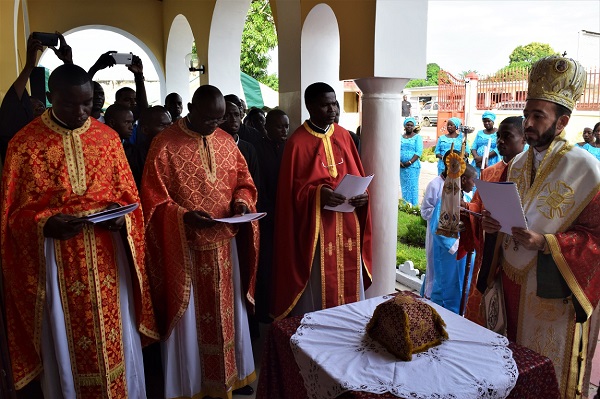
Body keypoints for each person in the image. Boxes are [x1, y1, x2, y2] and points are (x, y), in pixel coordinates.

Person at [1, 63, 157, 398]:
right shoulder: (24, 145)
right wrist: (43, 223)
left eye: (87, 104)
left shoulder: (108, 138)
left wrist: (122, 216)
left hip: (108, 258)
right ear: (50, 97)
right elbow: (11, 217)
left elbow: (129, 195)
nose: (81, 111)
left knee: (115, 339)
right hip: (57, 262)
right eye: (71, 104)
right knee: (67, 342)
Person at [481, 55, 600, 398]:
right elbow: (507, 215)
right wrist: (492, 225)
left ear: (561, 122)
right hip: (511, 289)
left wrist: (547, 242)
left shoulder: (587, 171)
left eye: (538, 116)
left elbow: (596, 239)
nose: (528, 123)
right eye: (526, 115)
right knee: (511, 372)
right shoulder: (517, 163)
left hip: (552, 295)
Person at [141, 84, 258, 399]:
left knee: (230, 313)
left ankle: (232, 376)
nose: (214, 126)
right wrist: (183, 216)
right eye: (208, 119)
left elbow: (244, 182)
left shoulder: (224, 141)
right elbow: (153, 200)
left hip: (225, 245)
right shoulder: (164, 144)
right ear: (191, 107)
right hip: (186, 249)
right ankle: (191, 385)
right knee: (192, 320)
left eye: (219, 120)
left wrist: (242, 203)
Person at [270, 82, 373, 320]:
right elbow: (290, 195)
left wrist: (363, 196)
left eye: (334, 103)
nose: (332, 109)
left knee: (349, 280)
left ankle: (350, 324)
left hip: (347, 223)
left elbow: (357, 173)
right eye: (325, 105)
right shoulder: (297, 142)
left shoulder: (344, 136)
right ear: (310, 106)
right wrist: (319, 194)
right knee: (319, 284)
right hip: (316, 228)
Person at [463, 116, 526, 325]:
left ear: (524, 139)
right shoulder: (489, 172)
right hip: (488, 257)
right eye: (498, 137)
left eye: (507, 137)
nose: (500, 141)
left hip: (517, 257)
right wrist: (468, 212)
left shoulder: (532, 175)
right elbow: (477, 206)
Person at [0, 32, 71, 161]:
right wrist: (29, 66)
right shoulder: (17, 137)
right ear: (23, 112)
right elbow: (12, 102)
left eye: (41, 106)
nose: (40, 108)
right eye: (33, 106)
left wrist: (68, 63)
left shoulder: (56, 131)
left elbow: (73, 100)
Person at [251, 109, 289, 326]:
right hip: (267, 216)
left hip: (287, 217)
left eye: (286, 126)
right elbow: (258, 185)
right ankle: (264, 310)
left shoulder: (289, 148)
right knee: (266, 265)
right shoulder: (257, 149)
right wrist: (270, 212)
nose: (284, 130)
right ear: (267, 127)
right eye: (279, 126)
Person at [428, 158, 476, 314]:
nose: (474, 184)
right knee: (446, 287)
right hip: (450, 254)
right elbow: (438, 226)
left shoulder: (467, 199)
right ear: (463, 179)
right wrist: (456, 244)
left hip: (463, 254)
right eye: (473, 180)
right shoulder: (446, 199)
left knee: (462, 287)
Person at [219, 100, 260, 186]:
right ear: (219, 119)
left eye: (236, 115)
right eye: (227, 115)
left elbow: (255, 180)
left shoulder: (248, 148)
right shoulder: (213, 147)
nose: (233, 119)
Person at [400, 117, 423, 206]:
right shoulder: (400, 137)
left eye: (411, 125)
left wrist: (409, 162)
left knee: (412, 186)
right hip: (401, 166)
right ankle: (405, 205)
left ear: (413, 127)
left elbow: (418, 152)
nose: (409, 126)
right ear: (404, 126)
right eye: (407, 125)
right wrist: (399, 162)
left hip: (413, 166)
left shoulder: (417, 137)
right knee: (404, 186)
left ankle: (413, 205)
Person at [470, 110, 499, 175]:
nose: (486, 123)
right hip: (477, 162)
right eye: (484, 121)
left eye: (489, 121)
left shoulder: (498, 132)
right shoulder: (479, 133)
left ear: (493, 121)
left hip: (492, 161)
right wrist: (476, 158)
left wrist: (483, 158)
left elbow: (498, 149)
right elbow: (474, 147)